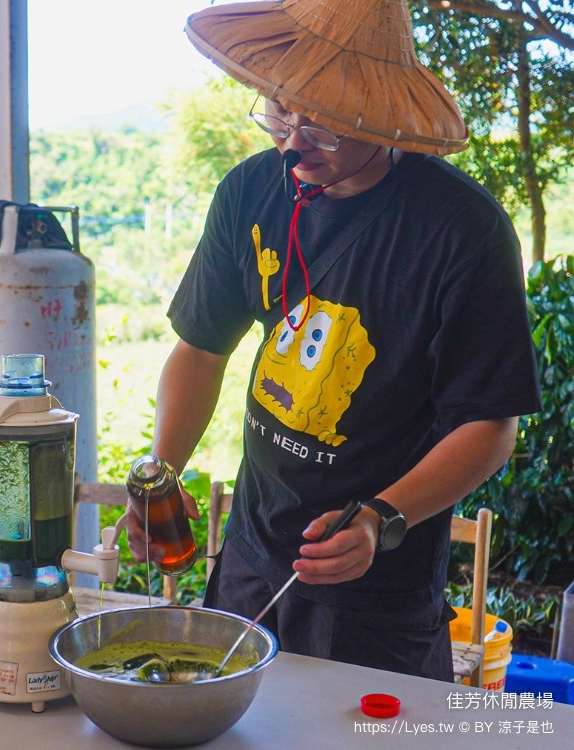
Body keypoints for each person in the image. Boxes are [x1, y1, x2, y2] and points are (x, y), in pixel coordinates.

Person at [125, 0, 541, 681]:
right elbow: (201, 349)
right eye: (280, 111)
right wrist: (160, 473)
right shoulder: (251, 191)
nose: (292, 141)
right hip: (252, 557)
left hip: (377, 579)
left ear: (378, 121)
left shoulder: (460, 230)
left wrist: (382, 517)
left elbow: (489, 426)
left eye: (319, 124)